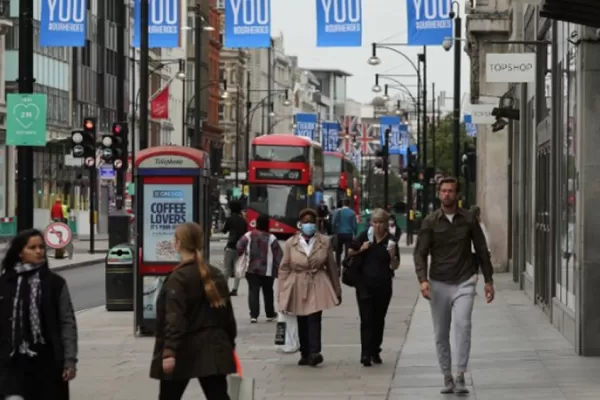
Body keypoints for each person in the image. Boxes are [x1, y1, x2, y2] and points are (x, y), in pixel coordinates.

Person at [413, 177, 494, 395]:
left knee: (463, 325)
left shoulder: (468, 219)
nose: (447, 194)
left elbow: (481, 249)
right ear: (439, 194)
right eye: (444, 191)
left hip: (464, 280)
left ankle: (460, 375)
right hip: (439, 282)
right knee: (441, 333)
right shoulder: (430, 222)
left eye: (451, 191)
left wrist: (488, 280)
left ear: (457, 194)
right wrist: (422, 280)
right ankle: (447, 376)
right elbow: (420, 253)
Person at [150, 222, 237, 400]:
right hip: (214, 348)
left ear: (178, 244)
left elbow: (175, 318)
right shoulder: (215, 274)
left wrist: (169, 352)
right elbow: (227, 316)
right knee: (218, 395)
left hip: (183, 349)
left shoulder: (178, 278)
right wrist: (229, 344)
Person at [0, 229, 78, 400]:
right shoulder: (5, 283)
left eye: (41, 247)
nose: (38, 251)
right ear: (20, 252)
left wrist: (69, 360)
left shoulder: (55, 284)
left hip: (47, 362)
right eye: (32, 247)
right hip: (11, 362)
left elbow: (67, 322)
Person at [278, 208, 341, 367]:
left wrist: (336, 289)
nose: (309, 225)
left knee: (314, 317)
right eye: (306, 222)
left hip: (317, 281)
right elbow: (284, 268)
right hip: (297, 282)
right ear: (300, 224)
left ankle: (315, 352)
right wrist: (281, 292)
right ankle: (304, 352)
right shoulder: (290, 244)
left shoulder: (324, 242)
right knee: (302, 318)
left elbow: (331, 267)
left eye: (312, 222)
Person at [348, 209, 399, 367]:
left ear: (386, 224)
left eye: (380, 222)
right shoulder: (364, 236)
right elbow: (350, 252)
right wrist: (361, 248)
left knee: (378, 318)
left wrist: (392, 256)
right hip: (364, 284)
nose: (377, 225)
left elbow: (395, 266)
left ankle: (375, 349)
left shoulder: (390, 240)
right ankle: (365, 353)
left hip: (383, 285)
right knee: (366, 319)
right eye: (374, 222)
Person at [236, 214, 282, 323]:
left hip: (251, 269)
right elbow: (278, 254)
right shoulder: (271, 238)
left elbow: (239, 246)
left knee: (253, 291)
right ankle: (269, 314)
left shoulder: (248, 235)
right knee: (268, 291)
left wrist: (244, 254)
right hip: (268, 270)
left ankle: (254, 315)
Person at [222, 200, 247, 296]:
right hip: (240, 247)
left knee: (226, 269)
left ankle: (224, 288)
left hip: (230, 246)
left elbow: (224, 231)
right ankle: (235, 289)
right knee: (238, 268)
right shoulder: (243, 221)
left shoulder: (230, 219)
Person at [331, 198, 357, 267]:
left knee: (338, 251)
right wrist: (355, 233)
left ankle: (338, 266)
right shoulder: (352, 212)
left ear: (342, 204)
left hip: (339, 233)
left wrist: (334, 231)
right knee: (348, 251)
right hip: (349, 234)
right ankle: (346, 264)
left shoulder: (337, 211)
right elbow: (354, 225)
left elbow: (333, 222)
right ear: (349, 204)